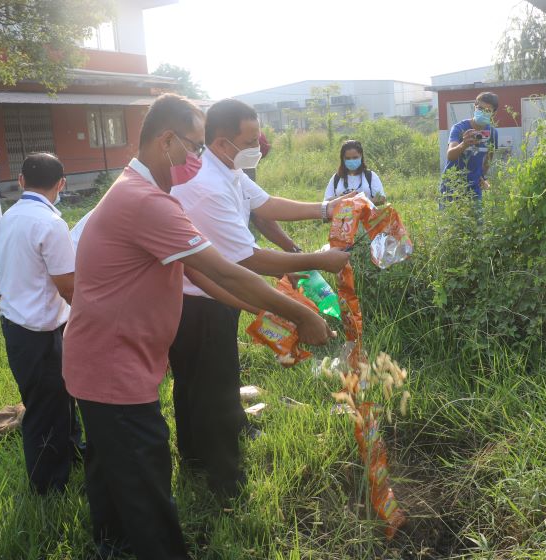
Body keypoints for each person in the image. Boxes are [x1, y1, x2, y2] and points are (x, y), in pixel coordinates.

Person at [62, 93, 333, 560]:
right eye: (192, 146)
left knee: (112, 473)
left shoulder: (143, 191)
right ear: (166, 141)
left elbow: (198, 273)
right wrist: (302, 314)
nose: (197, 157)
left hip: (105, 361)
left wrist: (257, 313)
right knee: (145, 485)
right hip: (115, 369)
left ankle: (111, 546)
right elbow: (230, 268)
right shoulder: (146, 202)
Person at [170, 98, 351, 496]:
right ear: (221, 142)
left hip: (213, 291)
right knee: (210, 384)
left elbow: (266, 204)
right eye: (251, 139)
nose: (259, 145)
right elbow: (248, 259)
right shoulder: (206, 188)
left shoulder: (229, 171)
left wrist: (326, 209)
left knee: (201, 381)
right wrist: (321, 260)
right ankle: (224, 481)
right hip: (197, 301)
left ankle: (195, 458)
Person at [0, 152, 83, 494]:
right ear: (61, 184)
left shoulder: (11, 216)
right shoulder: (50, 224)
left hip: (19, 324)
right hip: (40, 332)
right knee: (45, 407)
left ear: (20, 181)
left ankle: (73, 451)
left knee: (62, 397)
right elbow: (69, 287)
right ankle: (47, 487)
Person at [440, 91, 499, 200]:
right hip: (452, 186)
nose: (482, 112)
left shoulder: (492, 133)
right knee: (452, 217)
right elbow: (450, 155)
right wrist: (464, 144)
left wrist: (482, 177)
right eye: (480, 109)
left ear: (493, 113)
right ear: (475, 107)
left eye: (487, 111)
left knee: (475, 217)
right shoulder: (459, 128)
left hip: (474, 188)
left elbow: (488, 161)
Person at [324, 139, 386, 205]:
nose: (351, 161)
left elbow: (381, 198)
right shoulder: (336, 178)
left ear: (361, 156)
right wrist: (342, 199)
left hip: (365, 214)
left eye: (355, 158)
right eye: (348, 158)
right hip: (342, 215)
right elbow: (326, 201)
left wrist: (362, 203)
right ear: (343, 159)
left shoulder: (370, 176)